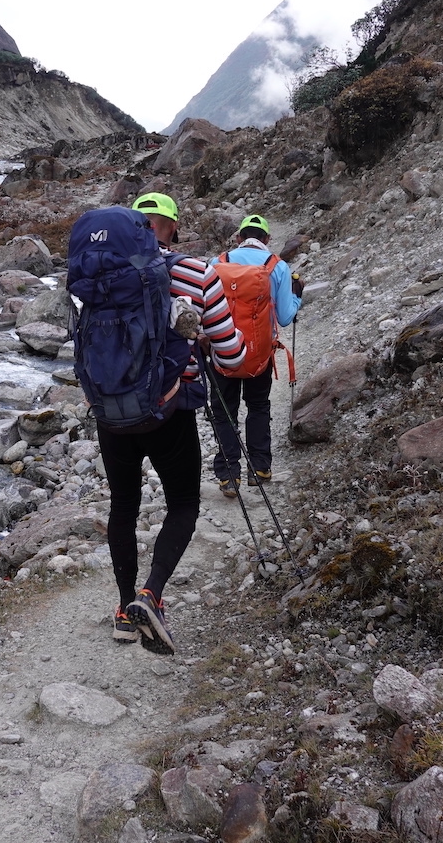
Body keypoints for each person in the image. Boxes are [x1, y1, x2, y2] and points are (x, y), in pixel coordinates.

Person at [99, 192, 244, 654]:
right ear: (173, 228)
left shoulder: (99, 273)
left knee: (123, 505)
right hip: (170, 410)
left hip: (111, 412)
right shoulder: (197, 273)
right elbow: (231, 355)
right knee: (183, 503)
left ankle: (124, 611)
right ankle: (151, 594)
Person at [208, 214, 303, 499]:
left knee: (224, 412)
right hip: (259, 353)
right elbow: (285, 317)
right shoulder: (277, 266)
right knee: (258, 406)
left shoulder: (217, 263)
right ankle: (259, 468)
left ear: (239, 237)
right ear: (267, 239)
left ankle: (229, 474)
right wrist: (297, 296)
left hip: (222, 351)